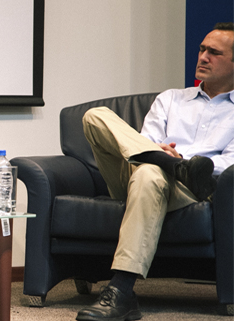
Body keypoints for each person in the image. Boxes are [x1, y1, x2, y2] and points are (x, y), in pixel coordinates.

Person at [76, 22, 234, 321]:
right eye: (202, 49)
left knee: (151, 173)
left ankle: (121, 290)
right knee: (95, 117)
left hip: (192, 190)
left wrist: (179, 162)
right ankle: (176, 167)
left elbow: (229, 165)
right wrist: (164, 155)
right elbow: (142, 145)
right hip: (137, 174)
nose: (202, 57)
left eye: (214, 53)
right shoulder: (171, 98)